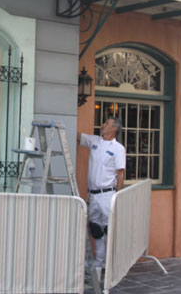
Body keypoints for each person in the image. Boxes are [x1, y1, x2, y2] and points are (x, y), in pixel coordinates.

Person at [77, 116, 126, 276]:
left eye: (106, 123)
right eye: (104, 122)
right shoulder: (95, 141)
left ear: (114, 129)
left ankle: (112, 264)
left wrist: (117, 197)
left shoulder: (118, 148)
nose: (103, 125)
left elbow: (120, 174)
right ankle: (99, 263)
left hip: (107, 194)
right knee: (96, 228)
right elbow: (79, 137)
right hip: (92, 194)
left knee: (109, 229)